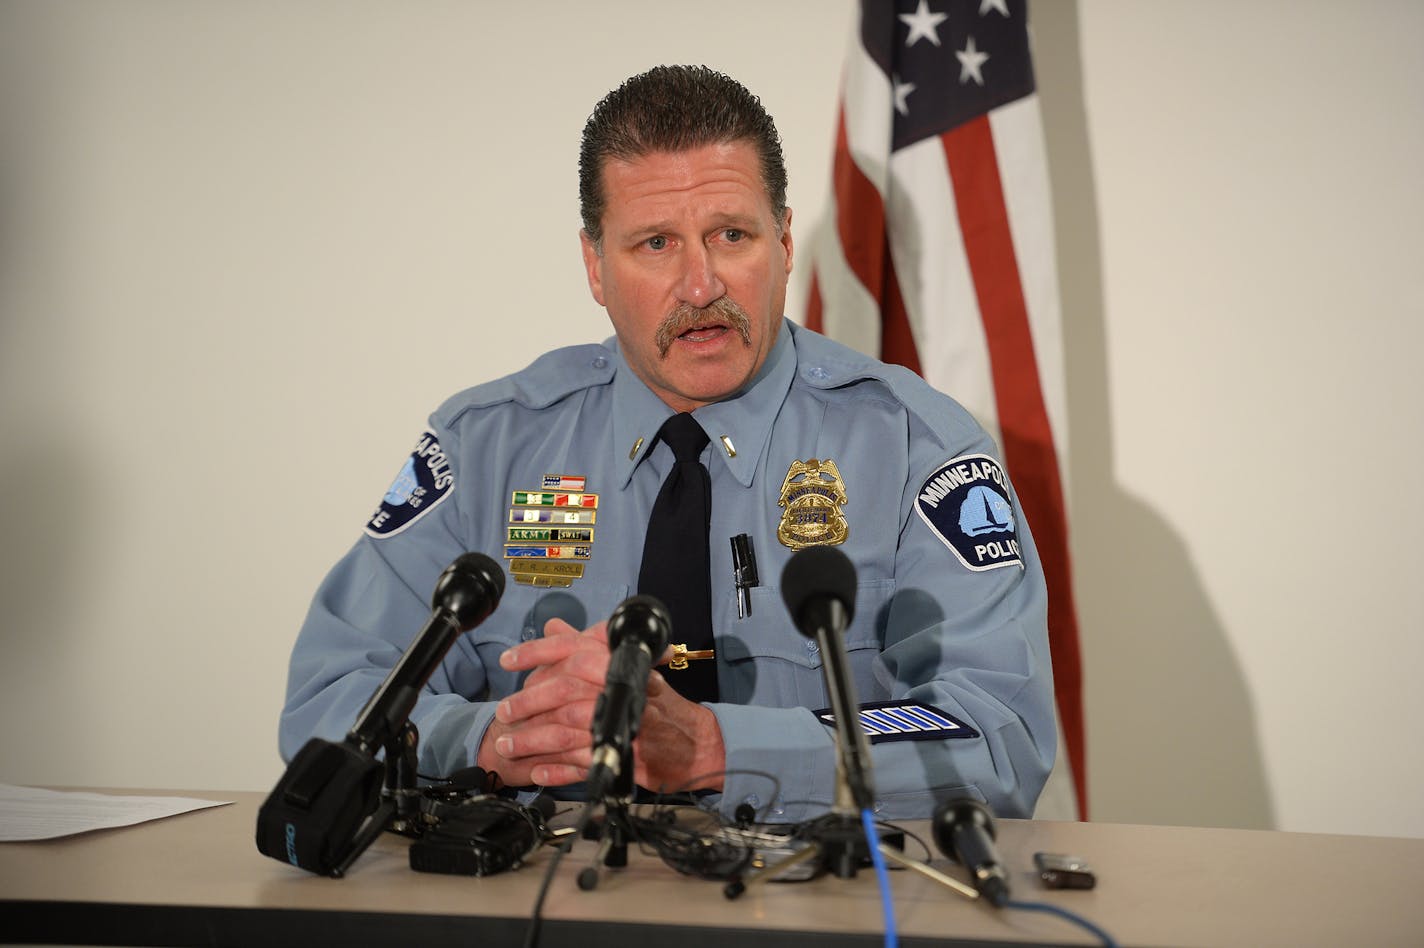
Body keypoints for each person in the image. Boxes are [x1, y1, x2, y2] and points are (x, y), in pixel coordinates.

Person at [280, 65, 1056, 822]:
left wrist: (721, 747)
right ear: (594, 265)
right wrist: (495, 738)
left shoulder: (915, 447)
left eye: (731, 234)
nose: (700, 284)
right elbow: (329, 698)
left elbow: (998, 733)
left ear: (784, 241)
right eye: (655, 243)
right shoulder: (486, 447)